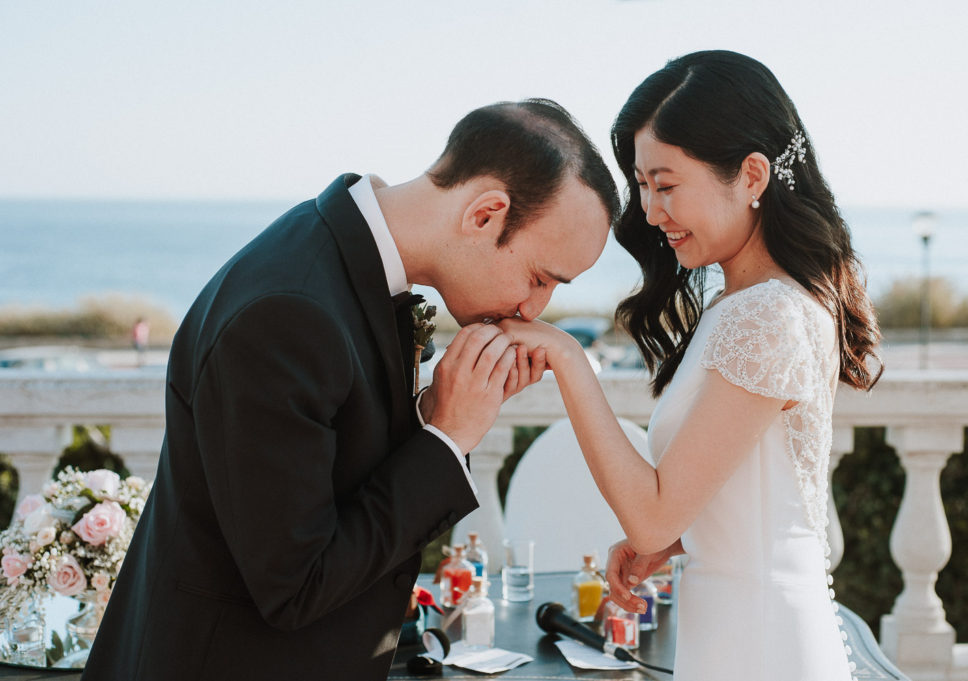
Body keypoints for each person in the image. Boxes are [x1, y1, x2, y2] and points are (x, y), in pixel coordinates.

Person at [81, 99, 618, 681]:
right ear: (485, 214)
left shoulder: (338, 257)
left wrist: (433, 417)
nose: (534, 310)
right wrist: (447, 437)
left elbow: (329, 476)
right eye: (539, 279)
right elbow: (297, 585)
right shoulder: (287, 313)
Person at [500, 51, 882, 680]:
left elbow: (650, 515)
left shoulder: (769, 314)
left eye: (667, 185)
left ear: (752, 175)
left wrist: (568, 359)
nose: (650, 211)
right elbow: (757, 491)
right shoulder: (744, 303)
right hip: (737, 630)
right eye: (643, 186)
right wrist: (683, 540)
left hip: (762, 645)